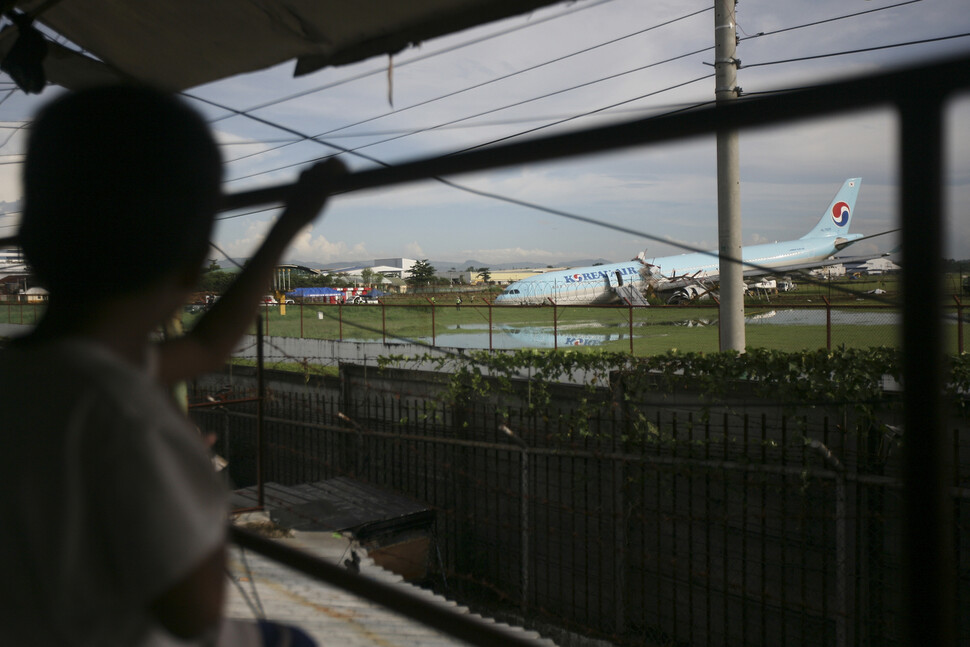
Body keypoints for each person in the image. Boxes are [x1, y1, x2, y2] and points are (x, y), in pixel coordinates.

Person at [0, 85, 344, 646]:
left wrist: (288, 225)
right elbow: (196, 611)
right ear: (193, 262)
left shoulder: (29, 375)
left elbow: (208, 346)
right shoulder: (127, 416)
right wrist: (194, 471)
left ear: (34, 242)